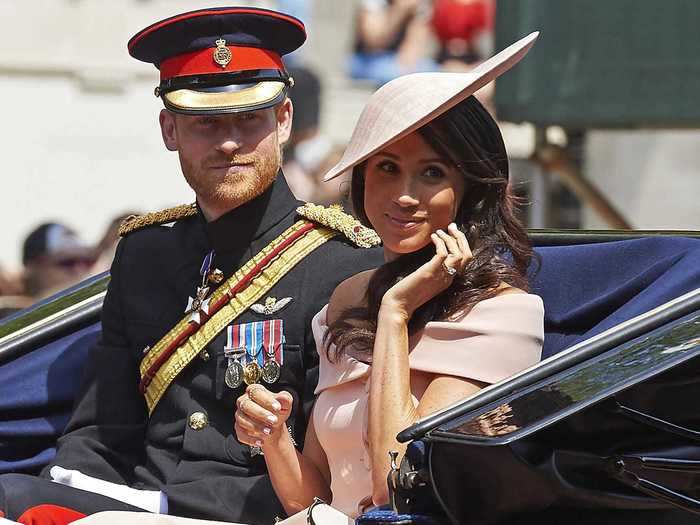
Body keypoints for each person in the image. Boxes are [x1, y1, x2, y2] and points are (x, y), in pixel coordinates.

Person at [0, 7, 382, 525]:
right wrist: (70, 491)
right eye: (205, 123)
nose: (228, 142)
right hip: (133, 507)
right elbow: (102, 433)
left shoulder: (346, 262)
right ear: (169, 129)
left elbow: (340, 467)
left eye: (249, 119)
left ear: (284, 120)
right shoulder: (145, 254)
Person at [234, 33, 543, 518]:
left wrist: (395, 315)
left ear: (471, 187)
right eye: (387, 167)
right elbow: (312, 497)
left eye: (433, 173)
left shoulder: (505, 314)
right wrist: (273, 438)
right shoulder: (349, 297)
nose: (404, 194)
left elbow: (393, 487)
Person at [21, 223, 96, 302]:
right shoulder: (11, 312)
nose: (81, 270)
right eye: (68, 263)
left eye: (88, 262)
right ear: (33, 267)